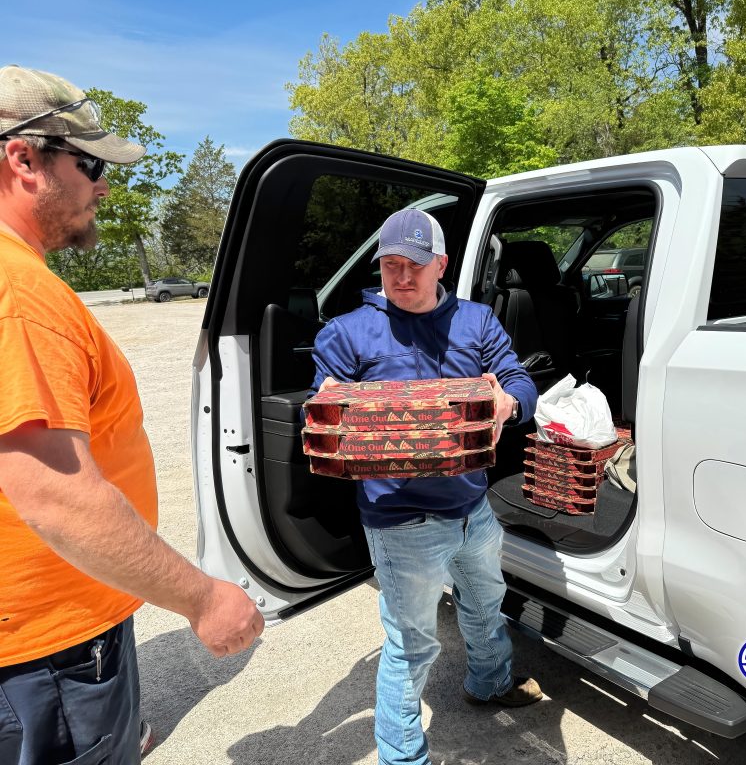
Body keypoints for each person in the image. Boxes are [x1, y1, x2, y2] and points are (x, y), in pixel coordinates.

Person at [0, 65, 264, 765]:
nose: (103, 185)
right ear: (23, 159)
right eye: (89, 165)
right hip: (46, 651)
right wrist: (204, 599)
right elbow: (57, 496)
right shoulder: (20, 295)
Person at [312, 207, 542, 765]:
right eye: (391, 265)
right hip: (401, 519)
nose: (402, 278)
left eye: (415, 265)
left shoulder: (477, 321)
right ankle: (402, 755)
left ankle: (489, 683)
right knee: (412, 643)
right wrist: (338, 411)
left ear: (441, 263)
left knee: (487, 604)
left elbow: (517, 378)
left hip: (472, 506)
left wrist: (509, 402)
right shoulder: (347, 332)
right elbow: (323, 409)